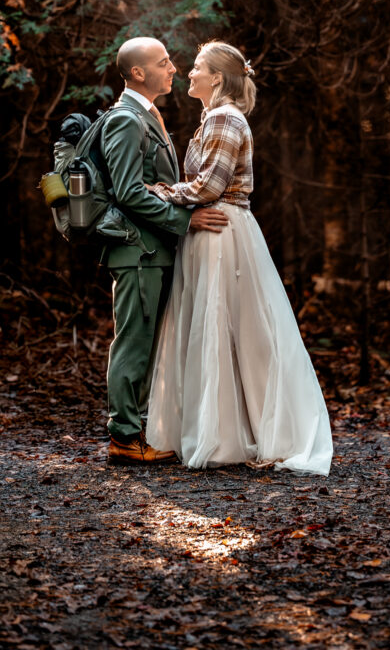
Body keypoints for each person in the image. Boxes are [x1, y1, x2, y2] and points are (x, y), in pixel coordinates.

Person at [146, 41, 333, 475]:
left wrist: (158, 193)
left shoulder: (226, 118)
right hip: (210, 229)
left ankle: (241, 435)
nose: (188, 73)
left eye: (196, 67)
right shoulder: (213, 117)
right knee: (214, 327)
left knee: (235, 328)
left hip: (223, 231)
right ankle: (218, 431)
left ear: (217, 77)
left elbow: (209, 187)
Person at [101, 37, 228, 465]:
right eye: (163, 62)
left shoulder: (146, 114)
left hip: (152, 250)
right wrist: (184, 221)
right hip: (137, 252)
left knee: (146, 341)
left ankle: (135, 432)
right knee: (133, 342)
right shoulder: (126, 118)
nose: (173, 68)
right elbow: (127, 191)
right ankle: (124, 437)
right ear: (138, 73)